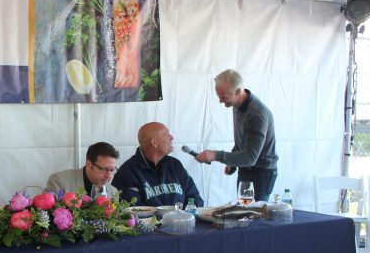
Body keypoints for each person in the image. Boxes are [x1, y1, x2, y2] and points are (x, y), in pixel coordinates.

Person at [195, 69, 278, 201]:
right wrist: (233, 161)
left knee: (254, 215)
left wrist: (215, 155)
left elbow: (250, 157)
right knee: (244, 211)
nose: (220, 101)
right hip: (247, 169)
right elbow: (245, 140)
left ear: (238, 91)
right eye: (219, 96)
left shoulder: (257, 114)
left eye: (223, 97)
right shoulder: (237, 104)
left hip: (261, 173)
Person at [112, 122, 203, 207]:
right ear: (154, 142)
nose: (171, 137)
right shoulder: (127, 173)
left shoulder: (175, 165)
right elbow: (133, 211)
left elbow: (194, 198)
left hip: (184, 222)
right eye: (166, 134)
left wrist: (188, 217)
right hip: (151, 224)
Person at [45, 142, 119, 196]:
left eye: (112, 170)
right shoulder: (59, 181)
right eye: (103, 169)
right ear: (89, 164)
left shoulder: (113, 193)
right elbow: (43, 215)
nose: (108, 176)